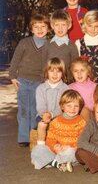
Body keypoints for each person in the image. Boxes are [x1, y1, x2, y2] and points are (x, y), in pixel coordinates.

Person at [9, 14, 49, 147]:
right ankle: (23, 138)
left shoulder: (49, 44)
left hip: (39, 82)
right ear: (31, 29)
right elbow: (15, 60)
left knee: (36, 110)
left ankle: (34, 135)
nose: (39, 29)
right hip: (23, 80)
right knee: (24, 109)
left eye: (43, 26)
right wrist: (13, 76)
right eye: (36, 27)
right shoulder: (24, 42)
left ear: (48, 28)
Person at [31, 89, 86, 172]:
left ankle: (50, 162)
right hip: (56, 152)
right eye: (69, 106)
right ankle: (57, 163)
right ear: (62, 106)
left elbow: (83, 141)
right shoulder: (55, 122)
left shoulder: (81, 122)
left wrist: (71, 147)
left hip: (71, 151)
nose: (72, 109)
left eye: (76, 106)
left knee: (71, 152)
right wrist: (55, 147)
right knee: (37, 149)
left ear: (80, 107)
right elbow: (50, 140)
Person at [35, 58, 69, 143]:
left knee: (61, 125)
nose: (55, 74)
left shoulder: (66, 89)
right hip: (43, 116)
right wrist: (45, 115)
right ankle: (41, 146)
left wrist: (51, 114)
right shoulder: (40, 88)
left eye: (58, 71)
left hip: (59, 116)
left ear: (63, 73)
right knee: (42, 124)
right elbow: (40, 106)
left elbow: (63, 108)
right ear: (47, 72)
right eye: (51, 71)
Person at [42, 9, 79, 82]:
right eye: (57, 25)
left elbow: (74, 67)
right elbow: (43, 65)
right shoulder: (47, 44)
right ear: (52, 26)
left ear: (69, 26)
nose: (60, 28)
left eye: (63, 25)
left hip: (66, 83)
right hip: (49, 82)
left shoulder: (72, 46)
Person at [75, 10, 98, 83]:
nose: (93, 29)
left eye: (96, 26)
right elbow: (77, 65)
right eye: (90, 26)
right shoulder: (79, 43)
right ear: (84, 25)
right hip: (84, 81)